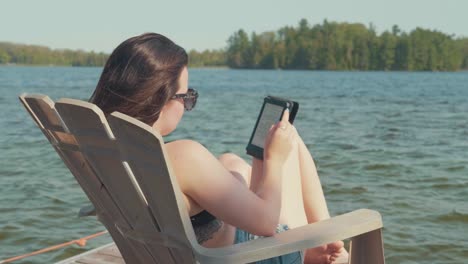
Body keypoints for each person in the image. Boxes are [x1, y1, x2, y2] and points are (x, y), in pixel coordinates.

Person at [90, 33, 346, 264]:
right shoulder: (184, 156)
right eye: (186, 97)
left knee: (232, 162)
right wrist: (275, 159)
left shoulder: (102, 149)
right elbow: (268, 223)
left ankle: (325, 242)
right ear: (160, 98)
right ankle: (329, 243)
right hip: (249, 257)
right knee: (290, 141)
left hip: (191, 252)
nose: (188, 105)